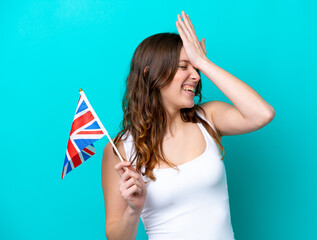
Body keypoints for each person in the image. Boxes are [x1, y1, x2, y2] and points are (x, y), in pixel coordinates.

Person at [101, 11, 275, 240]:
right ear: (151, 74)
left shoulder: (208, 118)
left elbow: (262, 114)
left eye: (196, 69)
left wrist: (204, 62)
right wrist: (134, 210)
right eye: (184, 66)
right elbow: (116, 237)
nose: (196, 76)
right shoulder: (120, 150)